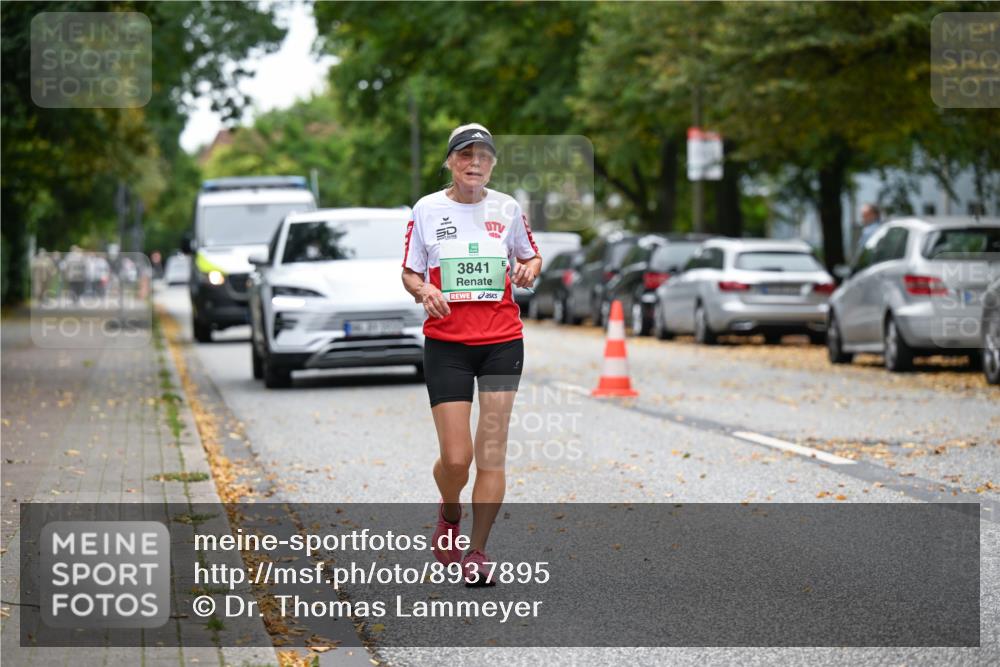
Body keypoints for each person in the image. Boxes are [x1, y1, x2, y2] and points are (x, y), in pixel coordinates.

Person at [401, 123, 542, 586]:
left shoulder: (508, 208)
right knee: (457, 458)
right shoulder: (426, 210)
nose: (474, 163)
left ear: (493, 163)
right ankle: (449, 509)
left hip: (502, 342)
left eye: (483, 156)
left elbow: (531, 257)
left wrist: (525, 269)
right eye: (465, 155)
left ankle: (477, 552)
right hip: (447, 345)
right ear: (450, 162)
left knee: (491, 453)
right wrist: (424, 291)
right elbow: (410, 272)